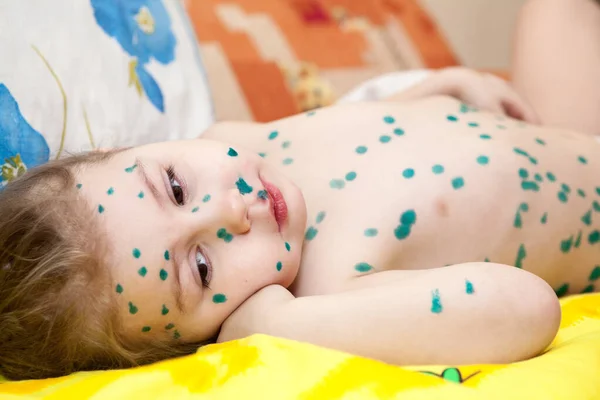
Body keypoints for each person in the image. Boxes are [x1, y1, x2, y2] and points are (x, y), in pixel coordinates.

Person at [0, 0, 598, 381]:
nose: (230, 210)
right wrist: (287, 327)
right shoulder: (336, 283)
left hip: (548, 121)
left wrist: (434, 88)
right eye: (203, 267)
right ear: (200, 337)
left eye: (176, 186)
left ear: (129, 149)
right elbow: (528, 308)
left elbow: (352, 124)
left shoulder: (233, 137)